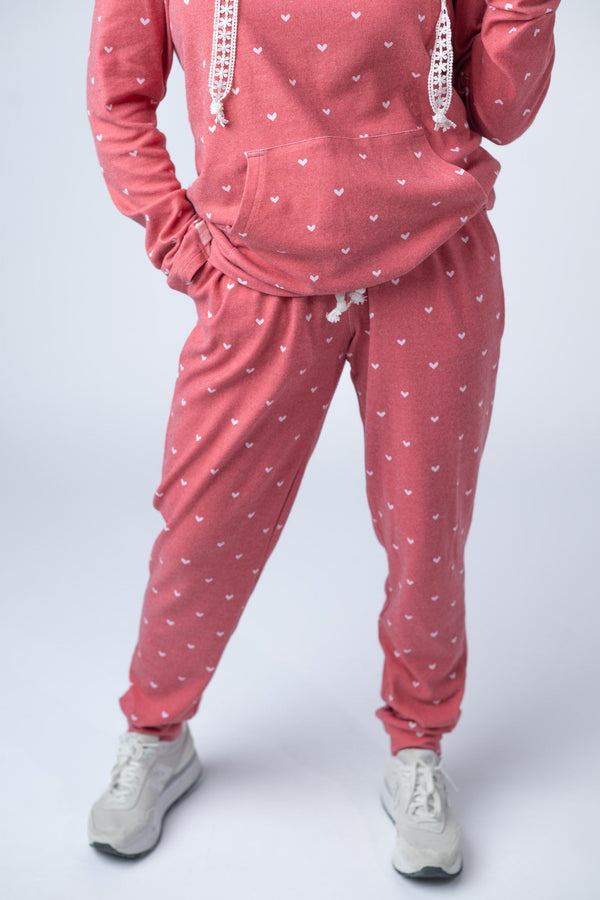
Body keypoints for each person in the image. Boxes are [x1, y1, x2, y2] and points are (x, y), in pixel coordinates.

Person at [86, 0, 560, 879]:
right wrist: (183, 248)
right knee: (203, 530)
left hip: (433, 260)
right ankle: (155, 730)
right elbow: (119, 95)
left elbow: (503, 112)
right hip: (257, 280)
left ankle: (418, 744)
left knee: (426, 534)